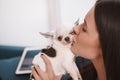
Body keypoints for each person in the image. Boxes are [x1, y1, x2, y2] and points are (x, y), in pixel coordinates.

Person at [32, 0, 120, 80]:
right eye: (82, 22)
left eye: (84, 29)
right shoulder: (81, 68)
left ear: (106, 44)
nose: (75, 28)